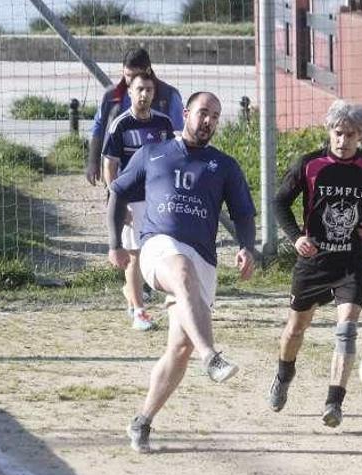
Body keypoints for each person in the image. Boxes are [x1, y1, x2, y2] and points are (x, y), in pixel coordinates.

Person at [107, 92, 257, 453]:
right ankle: (212, 356)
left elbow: (243, 214)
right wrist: (115, 243)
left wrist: (247, 246)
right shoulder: (152, 152)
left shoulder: (224, 165)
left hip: (203, 256)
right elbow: (117, 193)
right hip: (159, 246)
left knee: (179, 348)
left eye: (216, 117)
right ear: (186, 114)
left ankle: (142, 421)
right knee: (181, 269)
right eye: (203, 113)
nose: (209, 121)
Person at [267, 100, 362, 427]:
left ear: (361, 137)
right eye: (338, 133)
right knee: (294, 330)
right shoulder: (310, 165)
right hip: (314, 263)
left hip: (352, 263)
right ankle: (284, 375)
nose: (343, 141)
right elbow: (279, 201)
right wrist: (295, 237)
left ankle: (334, 403)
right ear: (329, 131)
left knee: (346, 332)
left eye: (351, 135)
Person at [102, 71, 175, 331]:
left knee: (164, 249)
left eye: (149, 90)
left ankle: (168, 299)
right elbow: (109, 166)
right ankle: (139, 311)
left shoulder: (164, 124)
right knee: (134, 255)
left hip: (159, 198)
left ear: (154, 94)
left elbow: (172, 159)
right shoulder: (120, 125)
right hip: (132, 199)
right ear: (130, 93)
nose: (144, 95)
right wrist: (117, 202)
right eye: (139, 89)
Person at [86, 47, 183, 186]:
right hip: (117, 174)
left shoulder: (169, 96)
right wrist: (93, 162)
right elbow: (98, 127)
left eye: (135, 76)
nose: (130, 81)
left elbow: (178, 137)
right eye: (127, 75)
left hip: (156, 178)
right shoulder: (112, 96)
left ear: (148, 71)